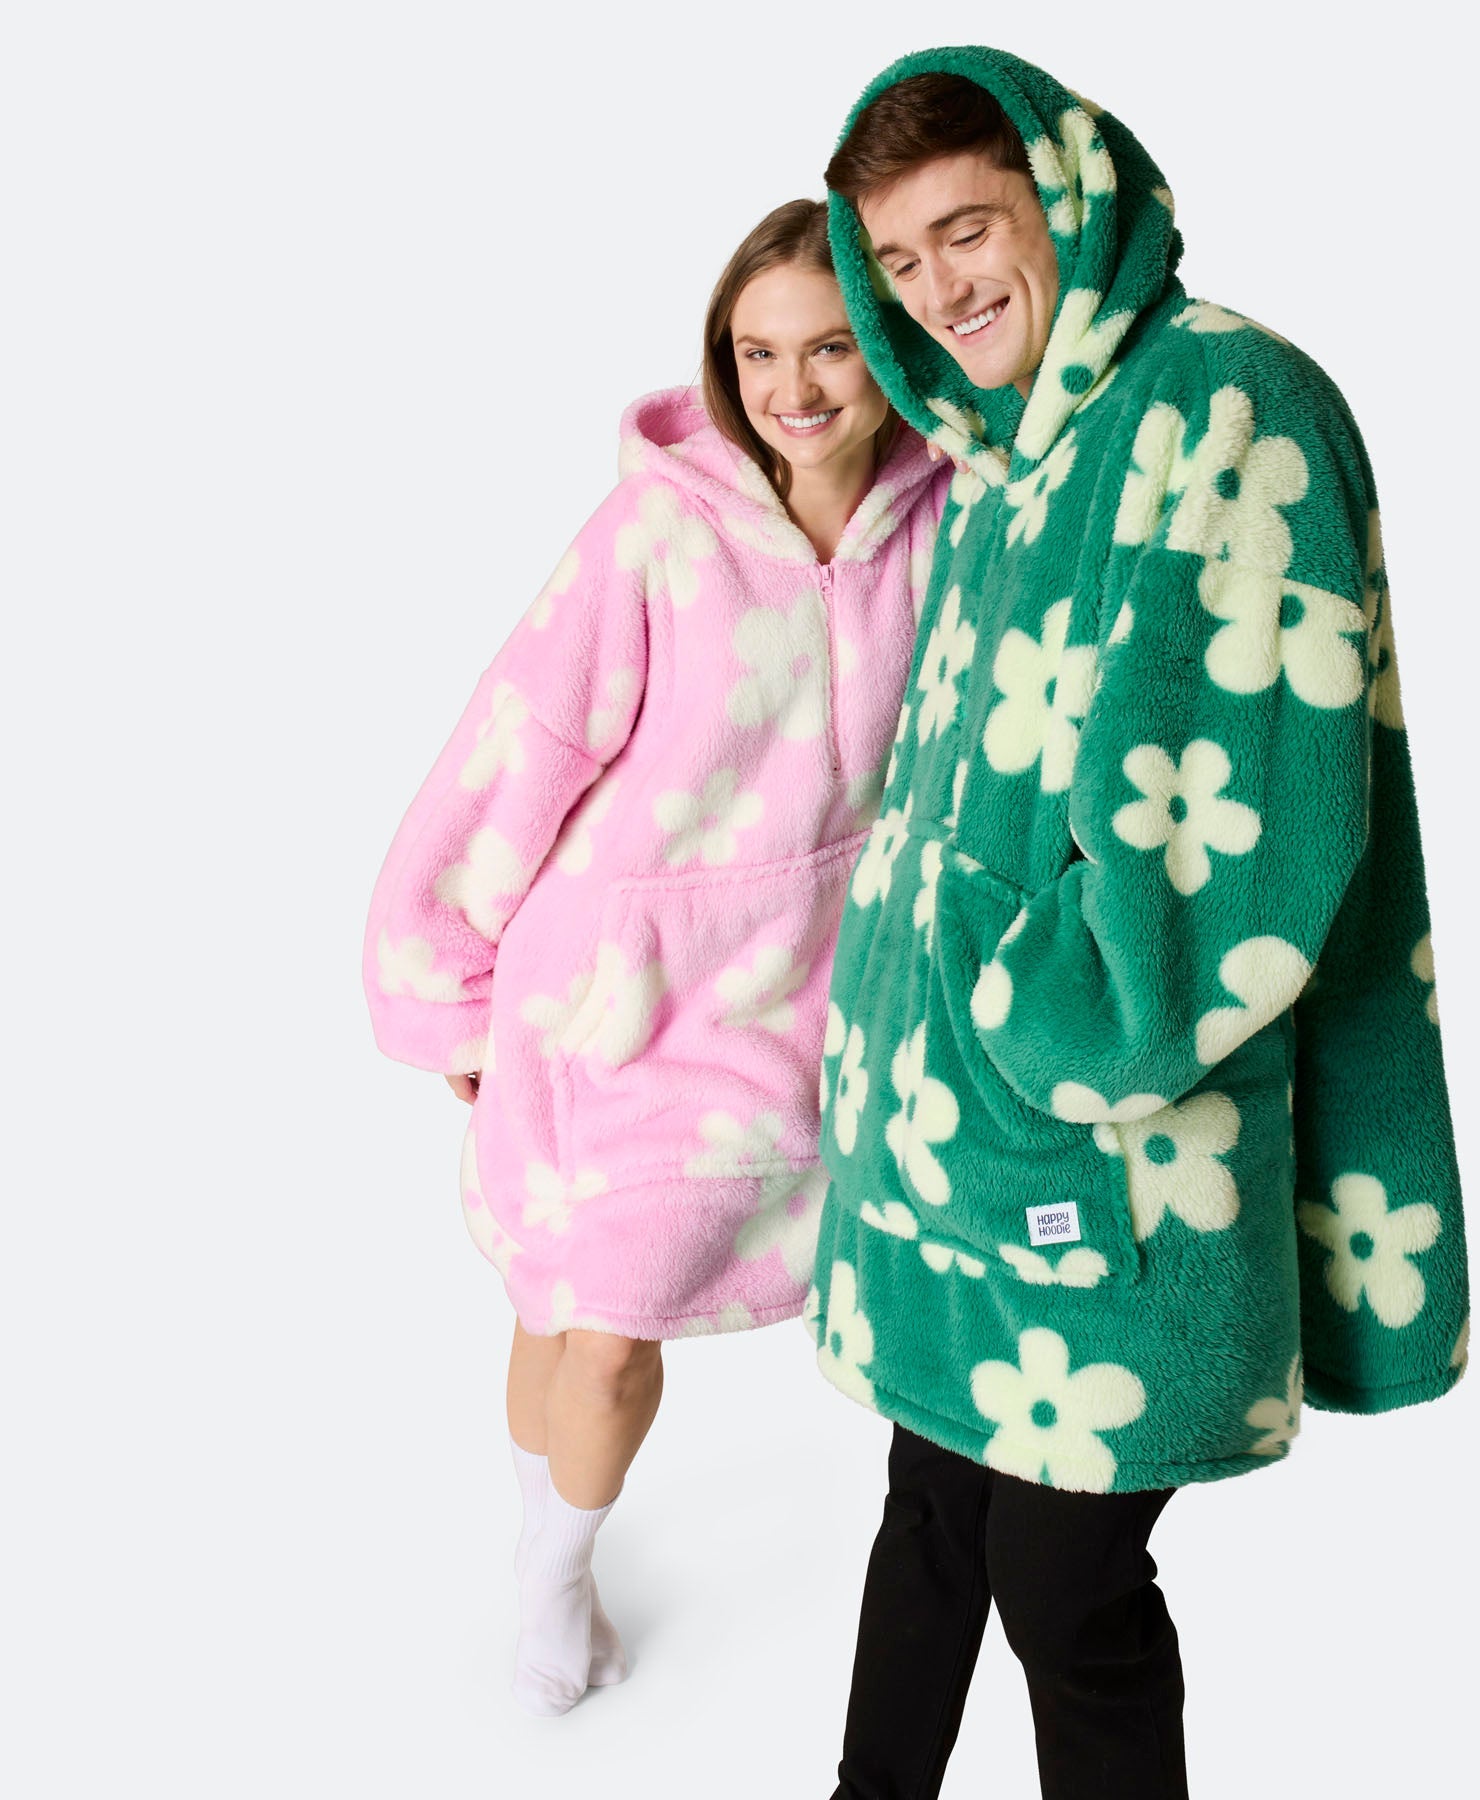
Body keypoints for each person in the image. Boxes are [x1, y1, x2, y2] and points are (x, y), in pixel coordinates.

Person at [803, 47, 1471, 1798]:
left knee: (1065, 1581)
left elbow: (1236, 831)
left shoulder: (1223, 408)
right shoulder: (1005, 456)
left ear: (1067, 197)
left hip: (1102, 1140)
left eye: (968, 232)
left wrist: (1049, 1022)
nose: (937, 291)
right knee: (933, 1510)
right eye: (898, 260)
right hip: (950, 1139)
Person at [361, 198, 949, 1715]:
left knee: (591, 1322)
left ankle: (550, 1540)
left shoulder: (954, 518)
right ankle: (555, 1566)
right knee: (575, 1320)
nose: (792, 386)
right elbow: (520, 747)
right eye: (758, 352)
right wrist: (454, 990)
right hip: (608, 1000)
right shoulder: (656, 533)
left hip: (802, 1001)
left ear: (891, 346)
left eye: (831, 347)